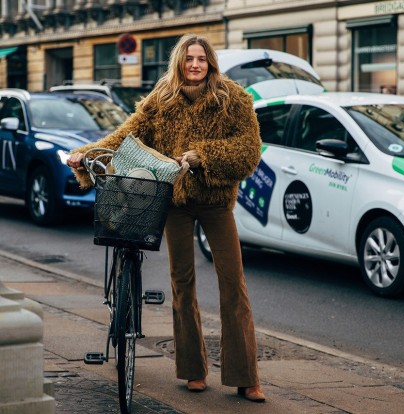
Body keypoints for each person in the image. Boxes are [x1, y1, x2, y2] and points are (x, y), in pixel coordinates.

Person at [67, 33, 265, 402]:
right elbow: (128, 136)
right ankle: (192, 370)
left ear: (210, 63)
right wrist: (85, 154)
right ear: (179, 62)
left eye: (201, 59)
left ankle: (245, 376)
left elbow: (249, 152)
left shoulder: (233, 99)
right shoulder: (162, 98)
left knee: (233, 284)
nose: (194, 65)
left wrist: (200, 155)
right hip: (172, 200)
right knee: (182, 283)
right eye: (188, 58)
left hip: (216, 202)